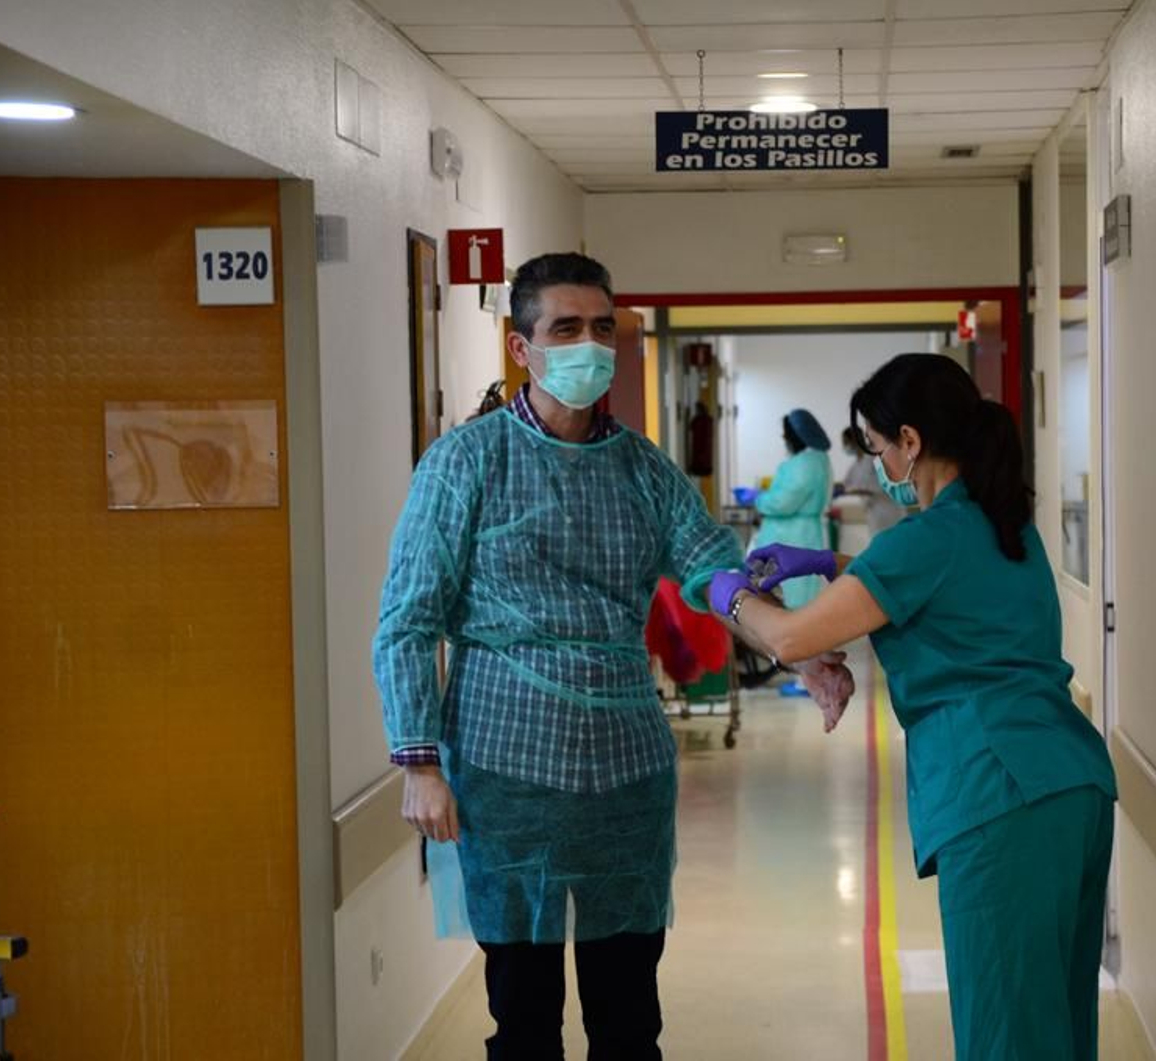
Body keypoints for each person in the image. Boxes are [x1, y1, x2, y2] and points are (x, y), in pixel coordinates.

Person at [373, 252, 853, 1061]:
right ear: (522, 346)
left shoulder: (643, 466)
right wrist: (419, 761)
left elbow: (710, 568)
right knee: (524, 1020)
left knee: (629, 1020)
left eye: (604, 327)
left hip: (625, 771)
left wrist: (791, 646)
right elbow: (409, 619)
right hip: (505, 765)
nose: (590, 344)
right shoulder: (466, 463)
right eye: (566, 328)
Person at [709, 353, 1117, 1061]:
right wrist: (829, 566)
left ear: (910, 441)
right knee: (1058, 1024)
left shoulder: (929, 538)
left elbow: (791, 634)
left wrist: (724, 593)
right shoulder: (1003, 524)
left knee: (1007, 1035)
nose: (878, 464)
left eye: (875, 448)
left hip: (1000, 796)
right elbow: (934, 582)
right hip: (1071, 783)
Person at [750, 409, 833, 609]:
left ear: (796, 434)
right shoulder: (820, 459)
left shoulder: (803, 463)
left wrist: (759, 500)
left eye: (786, 433)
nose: (783, 437)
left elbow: (783, 502)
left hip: (790, 535)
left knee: (790, 593)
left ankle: (790, 633)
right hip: (806, 532)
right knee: (804, 590)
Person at [839, 425, 907, 539]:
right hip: (874, 513)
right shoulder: (855, 466)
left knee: (892, 543)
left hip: (889, 510)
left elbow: (878, 486)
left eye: (846, 442)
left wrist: (852, 490)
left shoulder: (875, 458)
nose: (845, 447)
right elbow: (846, 484)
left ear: (855, 440)